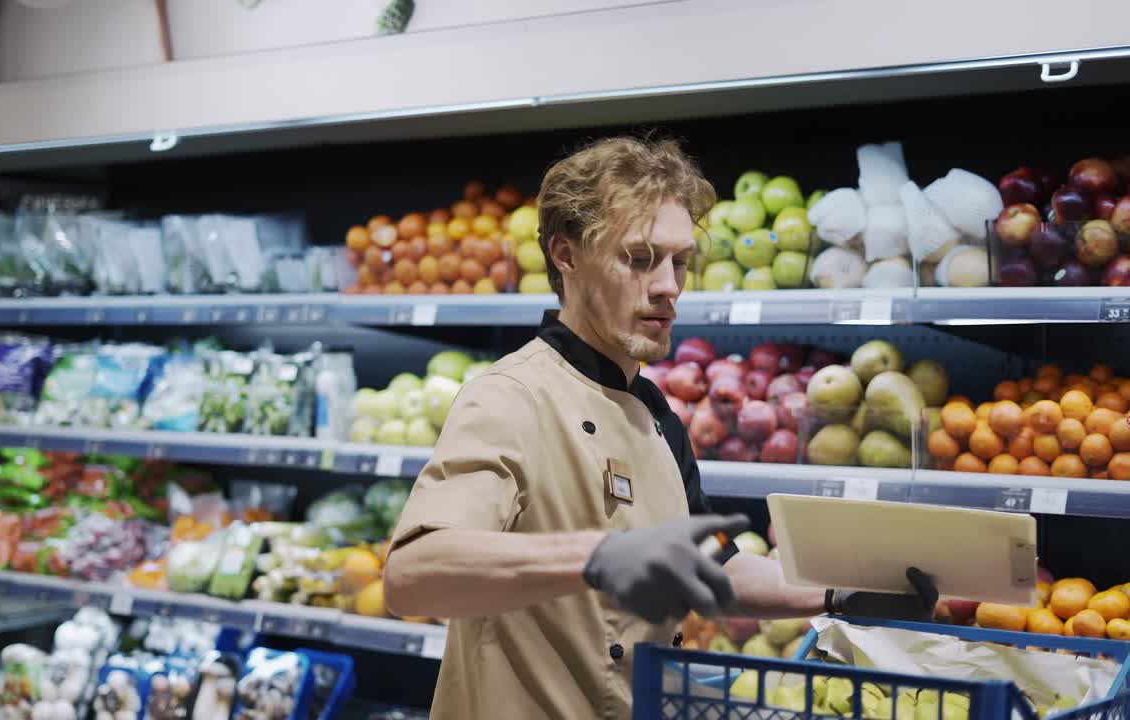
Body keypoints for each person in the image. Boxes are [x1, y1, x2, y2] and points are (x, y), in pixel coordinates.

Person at [382, 136, 936, 719]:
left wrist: (835, 594)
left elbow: (715, 562)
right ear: (565, 256)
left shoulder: (655, 413)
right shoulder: (511, 398)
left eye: (680, 262)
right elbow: (410, 575)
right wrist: (599, 556)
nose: (669, 286)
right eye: (639, 258)